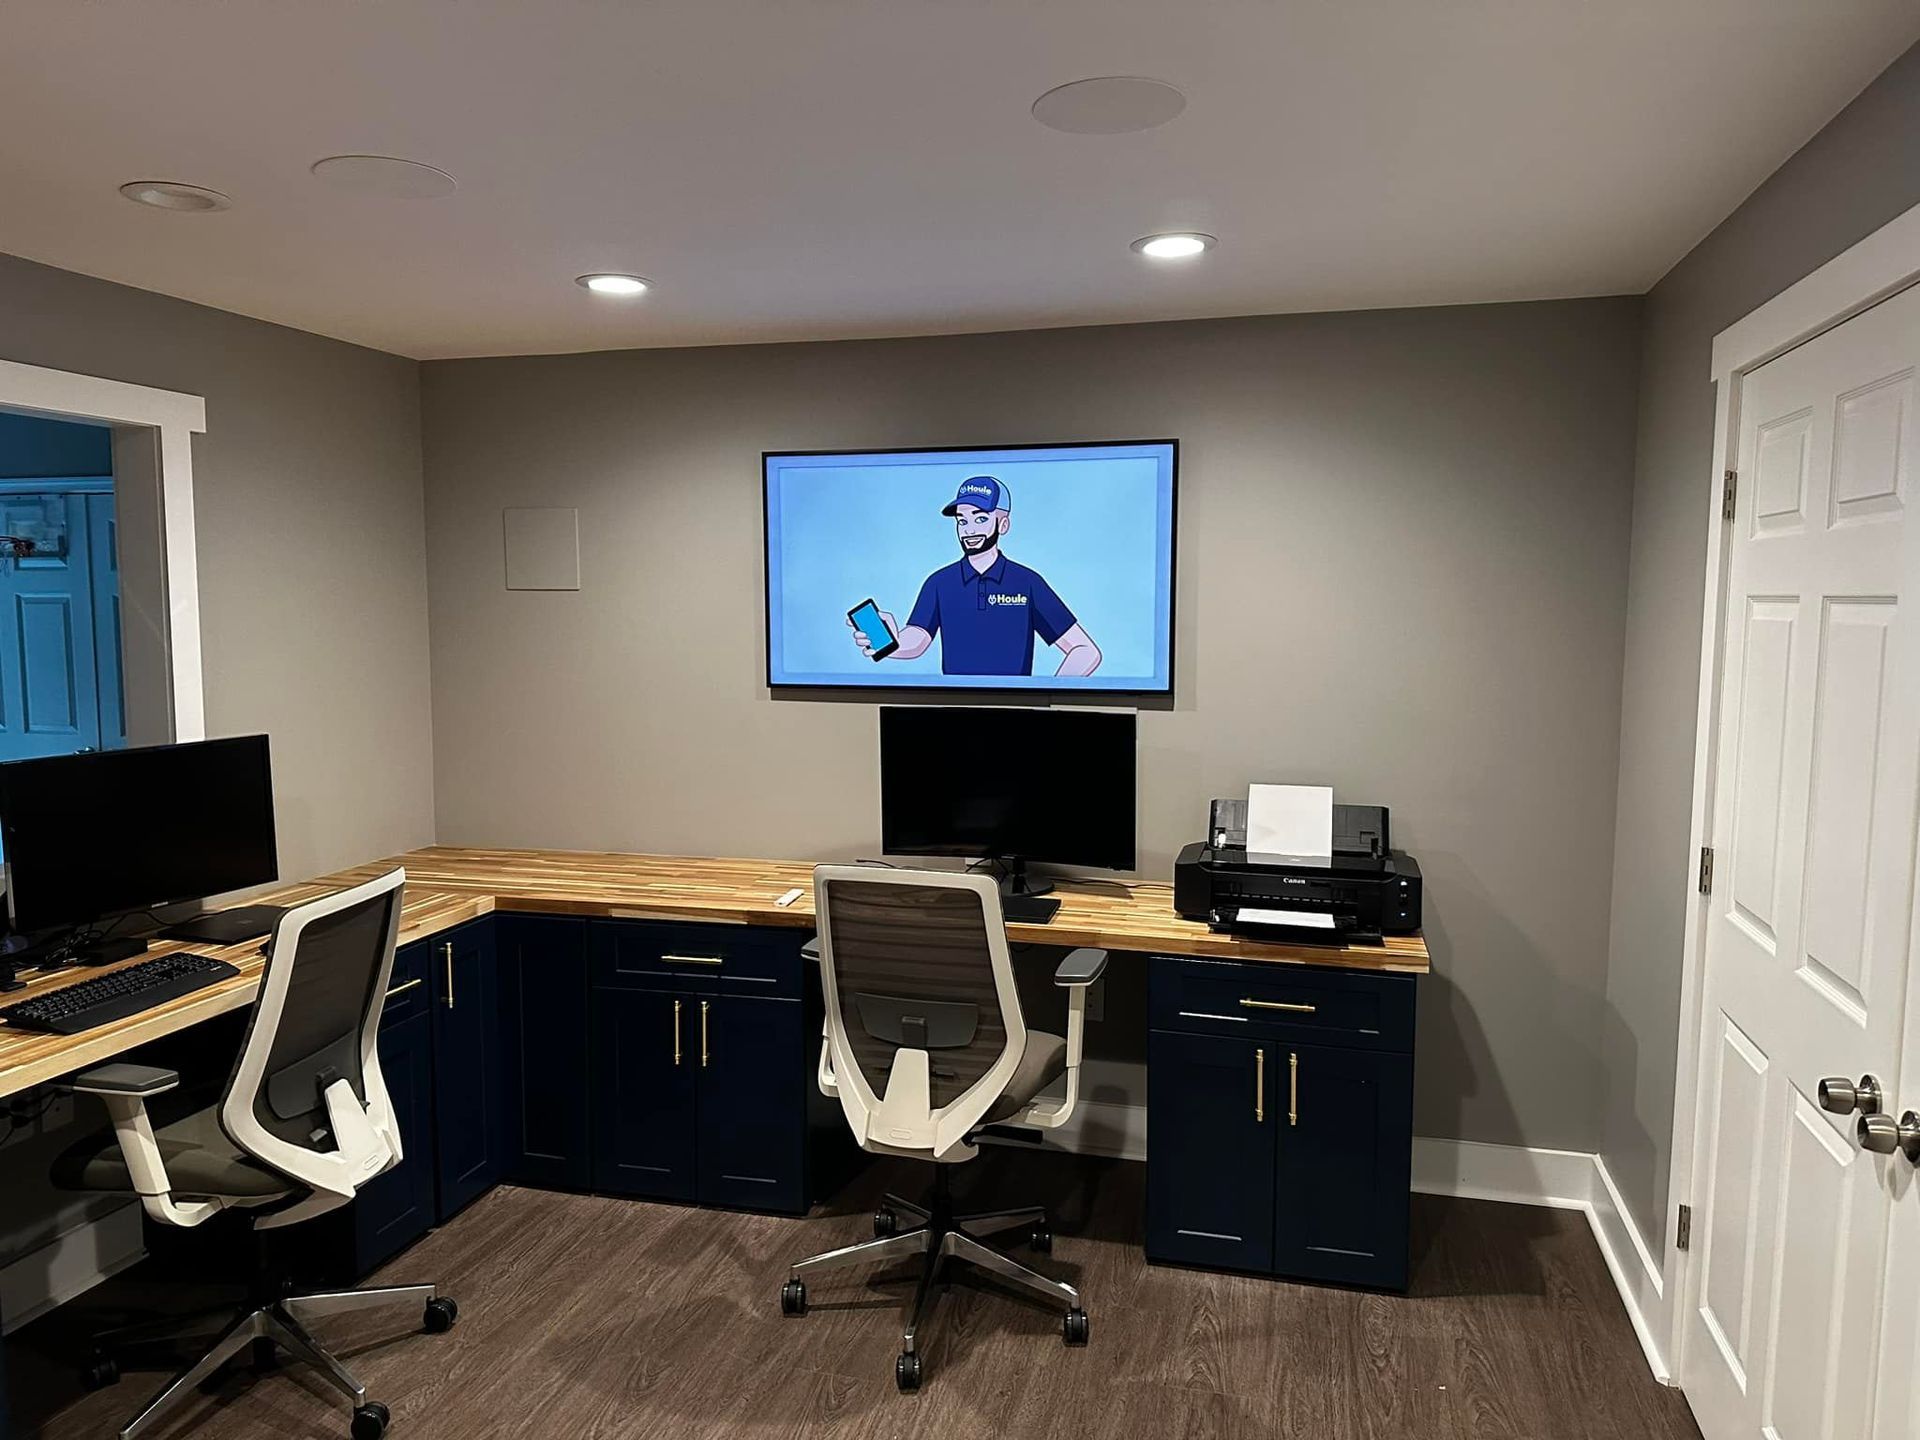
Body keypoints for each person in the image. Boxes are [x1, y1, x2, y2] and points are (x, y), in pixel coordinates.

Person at [850, 475, 1101, 678]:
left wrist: (1047, 699)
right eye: (962, 520)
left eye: (980, 518)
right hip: (953, 715)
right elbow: (918, 639)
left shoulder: (1027, 582)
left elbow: (1085, 650)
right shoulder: (939, 582)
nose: (969, 530)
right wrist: (888, 642)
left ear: (1003, 524)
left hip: (1018, 717)